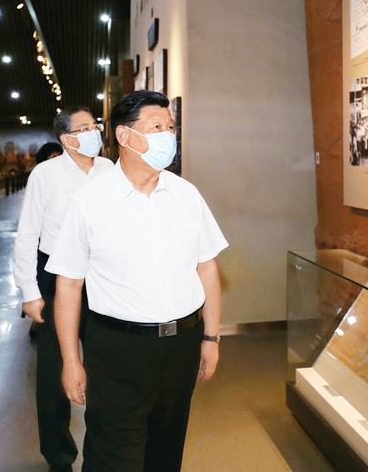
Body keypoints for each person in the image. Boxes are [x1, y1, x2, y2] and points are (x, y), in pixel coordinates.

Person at [47, 90, 228, 472]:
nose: (168, 136)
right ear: (124, 135)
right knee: (113, 454)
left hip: (181, 345)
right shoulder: (89, 200)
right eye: (156, 127)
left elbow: (207, 268)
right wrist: (70, 360)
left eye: (171, 127)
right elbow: (69, 285)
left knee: (167, 449)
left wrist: (210, 338)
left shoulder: (186, 195)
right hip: (118, 349)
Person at [12, 107, 114, 472]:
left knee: (104, 366)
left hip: (101, 276)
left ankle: (103, 451)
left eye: (94, 125)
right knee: (55, 371)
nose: (93, 132)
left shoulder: (109, 170)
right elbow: (27, 233)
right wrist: (29, 291)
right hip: (56, 276)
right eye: (83, 128)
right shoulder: (46, 174)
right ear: (66, 138)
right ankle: (58, 457)